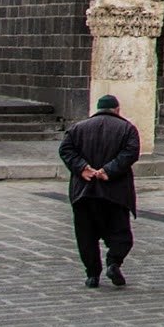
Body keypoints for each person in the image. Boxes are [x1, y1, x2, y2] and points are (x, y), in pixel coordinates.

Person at [59, 93, 141, 288]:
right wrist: (109, 170)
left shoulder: (78, 128)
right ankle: (113, 262)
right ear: (117, 110)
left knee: (86, 235)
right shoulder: (127, 128)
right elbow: (131, 152)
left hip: (84, 192)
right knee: (121, 234)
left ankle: (92, 275)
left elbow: (65, 149)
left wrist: (82, 167)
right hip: (115, 193)